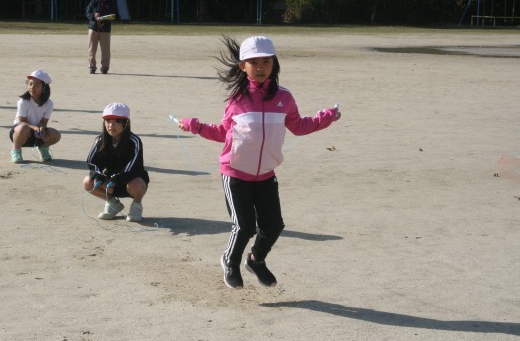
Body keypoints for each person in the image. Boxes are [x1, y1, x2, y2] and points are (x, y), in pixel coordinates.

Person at [178, 36, 341, 289]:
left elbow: (299, 126)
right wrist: (196, 126)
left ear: (274, 63)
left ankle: (255, 260)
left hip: (265, 174)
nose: (261, 67)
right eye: (254, 62)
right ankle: (230, 260)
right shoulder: (237, 99)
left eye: (266, 61)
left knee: (274, 226)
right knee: (244, 226)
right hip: (235, 173)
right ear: (243, 66)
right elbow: (223, 132)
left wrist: (326, 117)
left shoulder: (284, 98)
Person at [83, 102, 149, 222]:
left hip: (129, 181)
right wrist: (98, 176)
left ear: (126, 123)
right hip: (110, 183)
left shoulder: (135, 141)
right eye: (108, 121)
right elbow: (92, 163)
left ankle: (137, 205)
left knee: (137, 184)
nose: (111, 125)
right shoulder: (100, 140)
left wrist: (115, 179)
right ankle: (113, 203)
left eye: (117, 121)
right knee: (88, 182)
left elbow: (132, 167)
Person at [9, 69, 61, 163]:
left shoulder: (49, 103)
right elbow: (22, 121)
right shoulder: (23, 102)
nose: (32, 87)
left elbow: (44, 121)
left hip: (36, 133)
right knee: (24, 128)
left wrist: (41, 128)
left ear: (44, 87)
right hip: (20, 133)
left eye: (36, 85)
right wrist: (34, 127)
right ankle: (16, 151)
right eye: (30, 84)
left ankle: (43, 148)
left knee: (56, 135)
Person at [85, 0, 116, 74]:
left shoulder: (111, 3)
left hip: (105, 29)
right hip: (93, 28)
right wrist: (94, 15)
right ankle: (92, 67)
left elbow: (114, 14)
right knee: (91, 49)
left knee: (105, 50)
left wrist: (104, 17)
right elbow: (88, 13)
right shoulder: (93, 2)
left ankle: (105, 67)